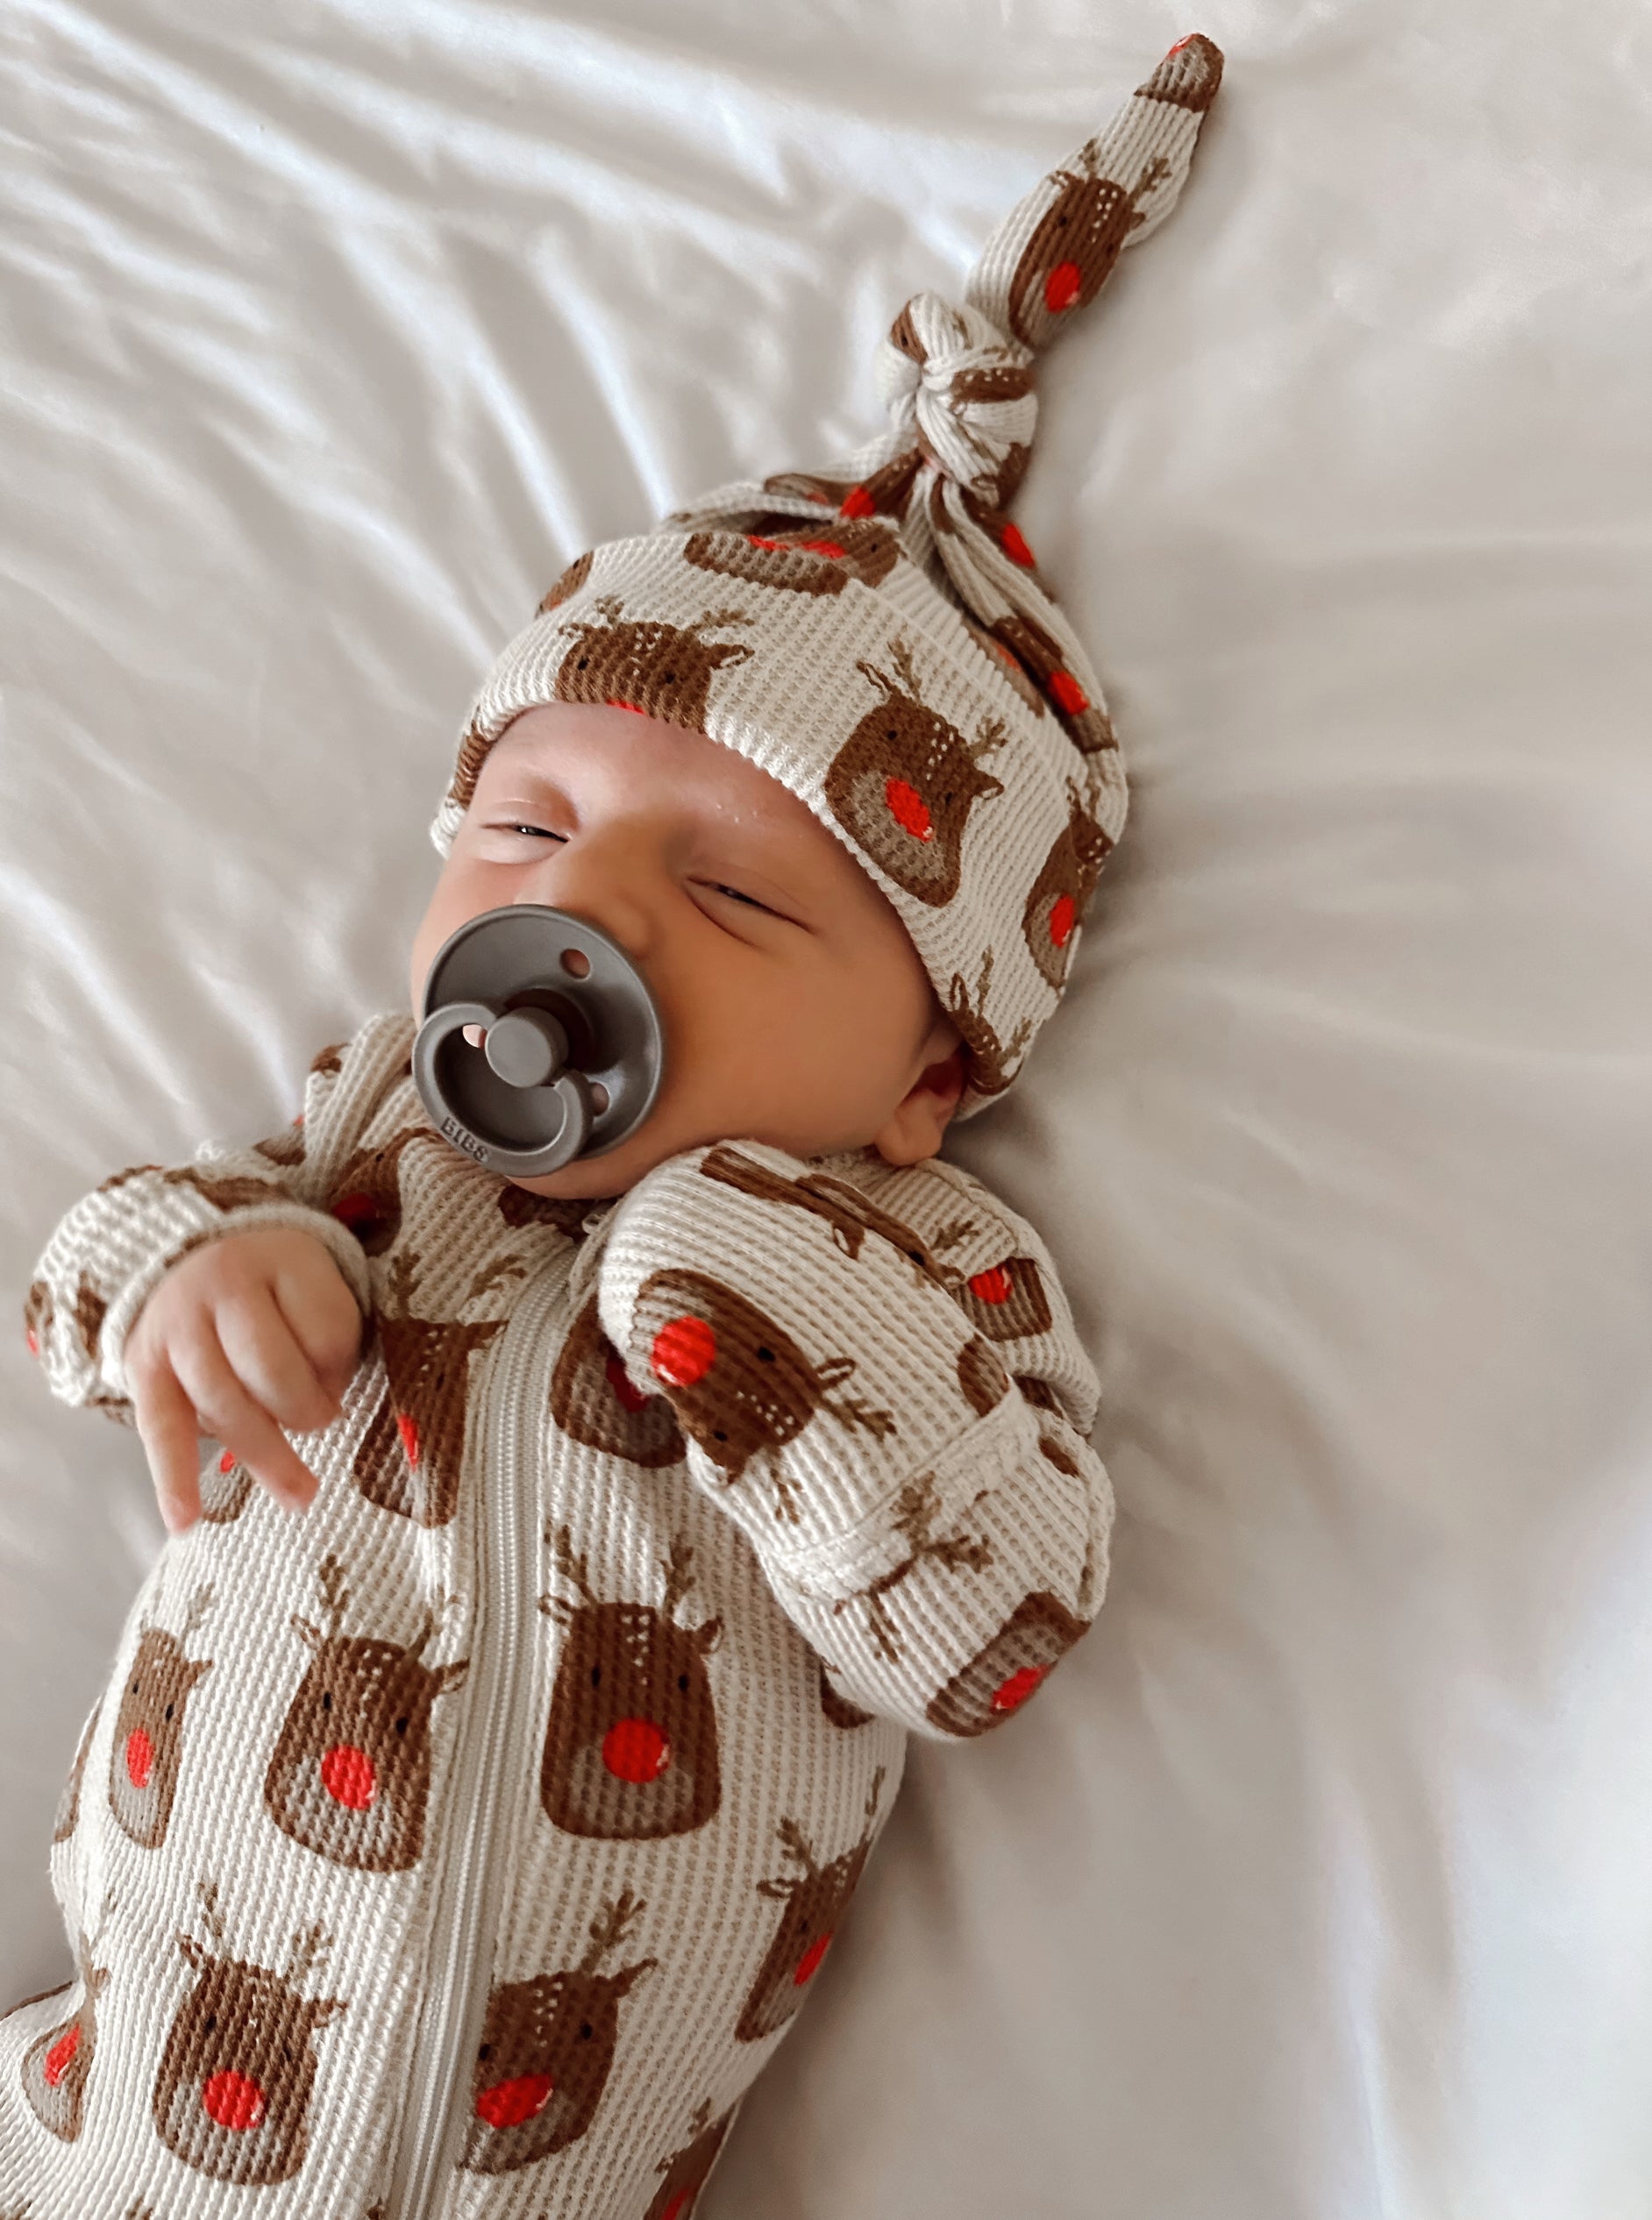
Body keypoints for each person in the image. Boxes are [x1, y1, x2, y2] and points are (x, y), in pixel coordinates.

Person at [2, 35, 1221, 2219]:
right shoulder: (382, 1146)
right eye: (521, 828)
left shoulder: (942, 1282)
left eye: (738, 895)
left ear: (933, 1077)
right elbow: (77, 1267)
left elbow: (993, 1631)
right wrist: (190, 1277)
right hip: (106, 2120)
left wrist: (737, 1285)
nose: (575, 913)